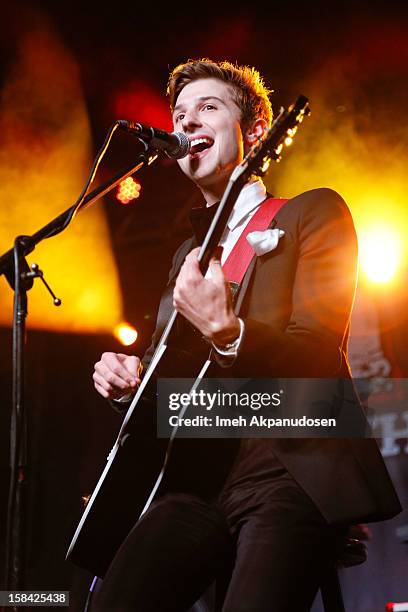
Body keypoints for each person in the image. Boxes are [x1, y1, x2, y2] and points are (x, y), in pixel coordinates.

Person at [90, 59, 401, 611]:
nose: (186, 123)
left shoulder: (312, 212)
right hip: (195, 478)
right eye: (179, 115)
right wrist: (130, 385)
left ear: (254, 130)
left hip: (288, 466)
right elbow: (179, 384)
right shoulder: (187, 256)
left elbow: (318, 351)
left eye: (207, 108)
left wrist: (230, 333)